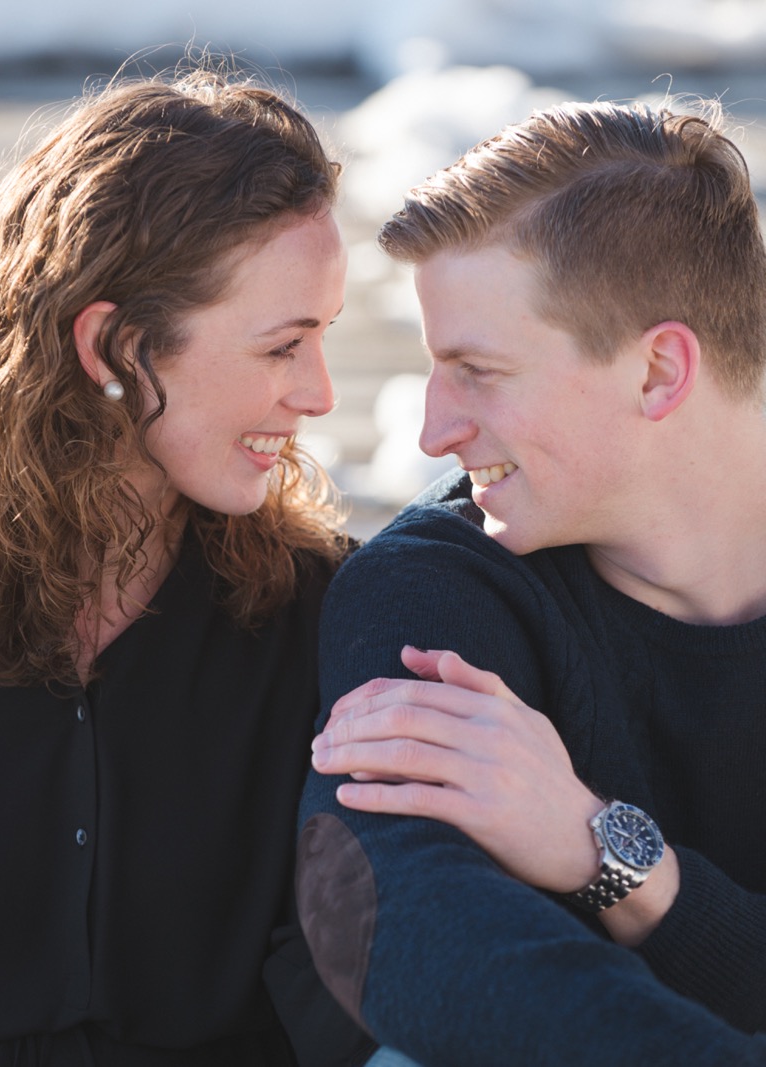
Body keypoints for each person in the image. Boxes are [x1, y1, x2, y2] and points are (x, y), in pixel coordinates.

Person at [297, 100, 766, 1065]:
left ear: (658, 371)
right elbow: (400, 926)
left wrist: (614, 855)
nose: (433, 431)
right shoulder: (432, 593)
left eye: (477, 370)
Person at [0, 70, 373, 1066]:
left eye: (324, 340)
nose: (318, 394)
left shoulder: (326, 615)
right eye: (284, 345)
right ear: (115, 343)